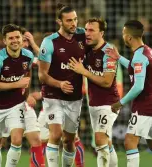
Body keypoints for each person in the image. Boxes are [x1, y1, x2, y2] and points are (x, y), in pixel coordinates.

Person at [105, 20, 152, 167]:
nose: (122, 36)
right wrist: (119, 57)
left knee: (130, 142)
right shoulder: (147, 51)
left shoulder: (140, 56)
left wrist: (120, 103)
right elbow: (135, 68)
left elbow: (138, 86)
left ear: (129, 37)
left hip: (144, 104)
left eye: (123, 33)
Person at [0, 26, 45, 167]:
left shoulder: (28, 56)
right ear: (4, 41)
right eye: (11, 38)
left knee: (17, 140)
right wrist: (17, 84)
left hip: (17, 105)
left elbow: (29, 74)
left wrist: (26, 94)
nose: (15, 40)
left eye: (17, 37)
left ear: (21, 39)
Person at [38, 3, 86, 167]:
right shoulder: (49, 42)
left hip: (75, 97)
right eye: (69, 20)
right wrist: (59, 84)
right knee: (56, 134)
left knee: (69, 140)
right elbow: (42, 75)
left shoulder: (82, 36)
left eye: (75, 19)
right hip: (53, 95)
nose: (74, 23)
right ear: (59, 22)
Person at [69, 18, 118, 167]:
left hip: (109, 103)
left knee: (99, 139)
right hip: (94, 103)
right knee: (106, 142)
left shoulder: (108, 52)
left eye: (91, 30)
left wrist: (84, 71)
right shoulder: (87, 48)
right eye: (86, 30)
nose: (87, 34)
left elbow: (107, 81)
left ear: (101, 33)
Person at [31, 91, 85, 167]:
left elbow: (82, 88)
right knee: (39, 141)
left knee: (72, 139)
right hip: (49, 107)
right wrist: (42, 93)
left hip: (67, 106)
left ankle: (80, 165)